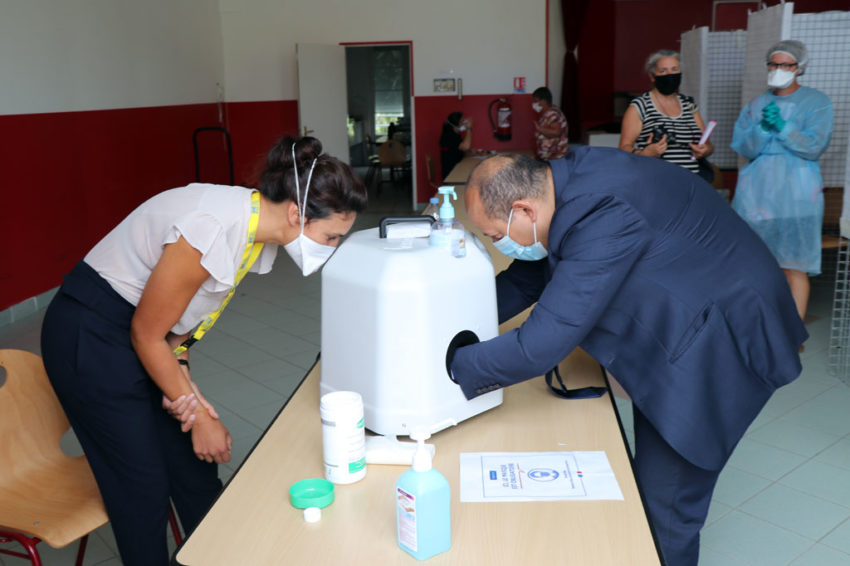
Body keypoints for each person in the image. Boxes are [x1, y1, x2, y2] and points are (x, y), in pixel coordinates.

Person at [448, 149, 806, 566]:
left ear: (523, 208)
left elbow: (540, 346)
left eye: (495, 236)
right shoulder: (561, 187)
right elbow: (528, 279)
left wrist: (453, 365)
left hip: (720, 337)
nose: (500, 244)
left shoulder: (602, 213)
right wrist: (450, 329)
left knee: (666, 510)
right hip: (696, 307)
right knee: (654, 490)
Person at [40, 136, 367, 566]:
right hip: (91, 333)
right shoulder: (213, 229)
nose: (333, 248)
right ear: (296, 213)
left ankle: (215, 556)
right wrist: (193, 414)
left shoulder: (254, 232)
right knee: (142, 486)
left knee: (194, 468)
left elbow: (178, 334)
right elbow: (146, 335)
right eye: (331, 236)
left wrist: (193, 401)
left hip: (142, 331)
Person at [731, 40, 834, 328]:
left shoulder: (816, 102)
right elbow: (745, 147)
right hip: (757, 193)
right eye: (773, 64)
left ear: (799, 68)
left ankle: (793, 330)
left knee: (794, 264)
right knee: (756, 263)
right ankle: (758, 324)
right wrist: (762, 129)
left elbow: (814, 146)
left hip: (797, 191)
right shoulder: (758, 104)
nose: (778, 70)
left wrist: (783, 127)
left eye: (785, 65)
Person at [618, 49, 713, 179]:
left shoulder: (689, 105)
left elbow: (708, 145)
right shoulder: (640, 106)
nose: (670, 74)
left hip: (691, 181)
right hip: (655, 181)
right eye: (663, 71)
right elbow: (623, 148)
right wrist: (644, 153)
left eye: (674, 69)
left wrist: (705, 150)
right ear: (652, 76)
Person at [531, 86, 568, 160]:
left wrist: (540, 129)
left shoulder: (552, 114)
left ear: (544, 101)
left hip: (555, 158)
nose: (533, 104)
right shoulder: (546, 113)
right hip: (547, 157)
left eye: (536, 101)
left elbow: (556, 132)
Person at [439, 111, 472, 179]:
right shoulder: (449, 135)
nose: (464, 123)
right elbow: (465, 147)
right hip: (451, 174)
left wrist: (473, 152)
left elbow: (461, 149)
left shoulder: (456, 134)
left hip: (457, 168)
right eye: (462, 121)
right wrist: (469, 128)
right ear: (455, 124)